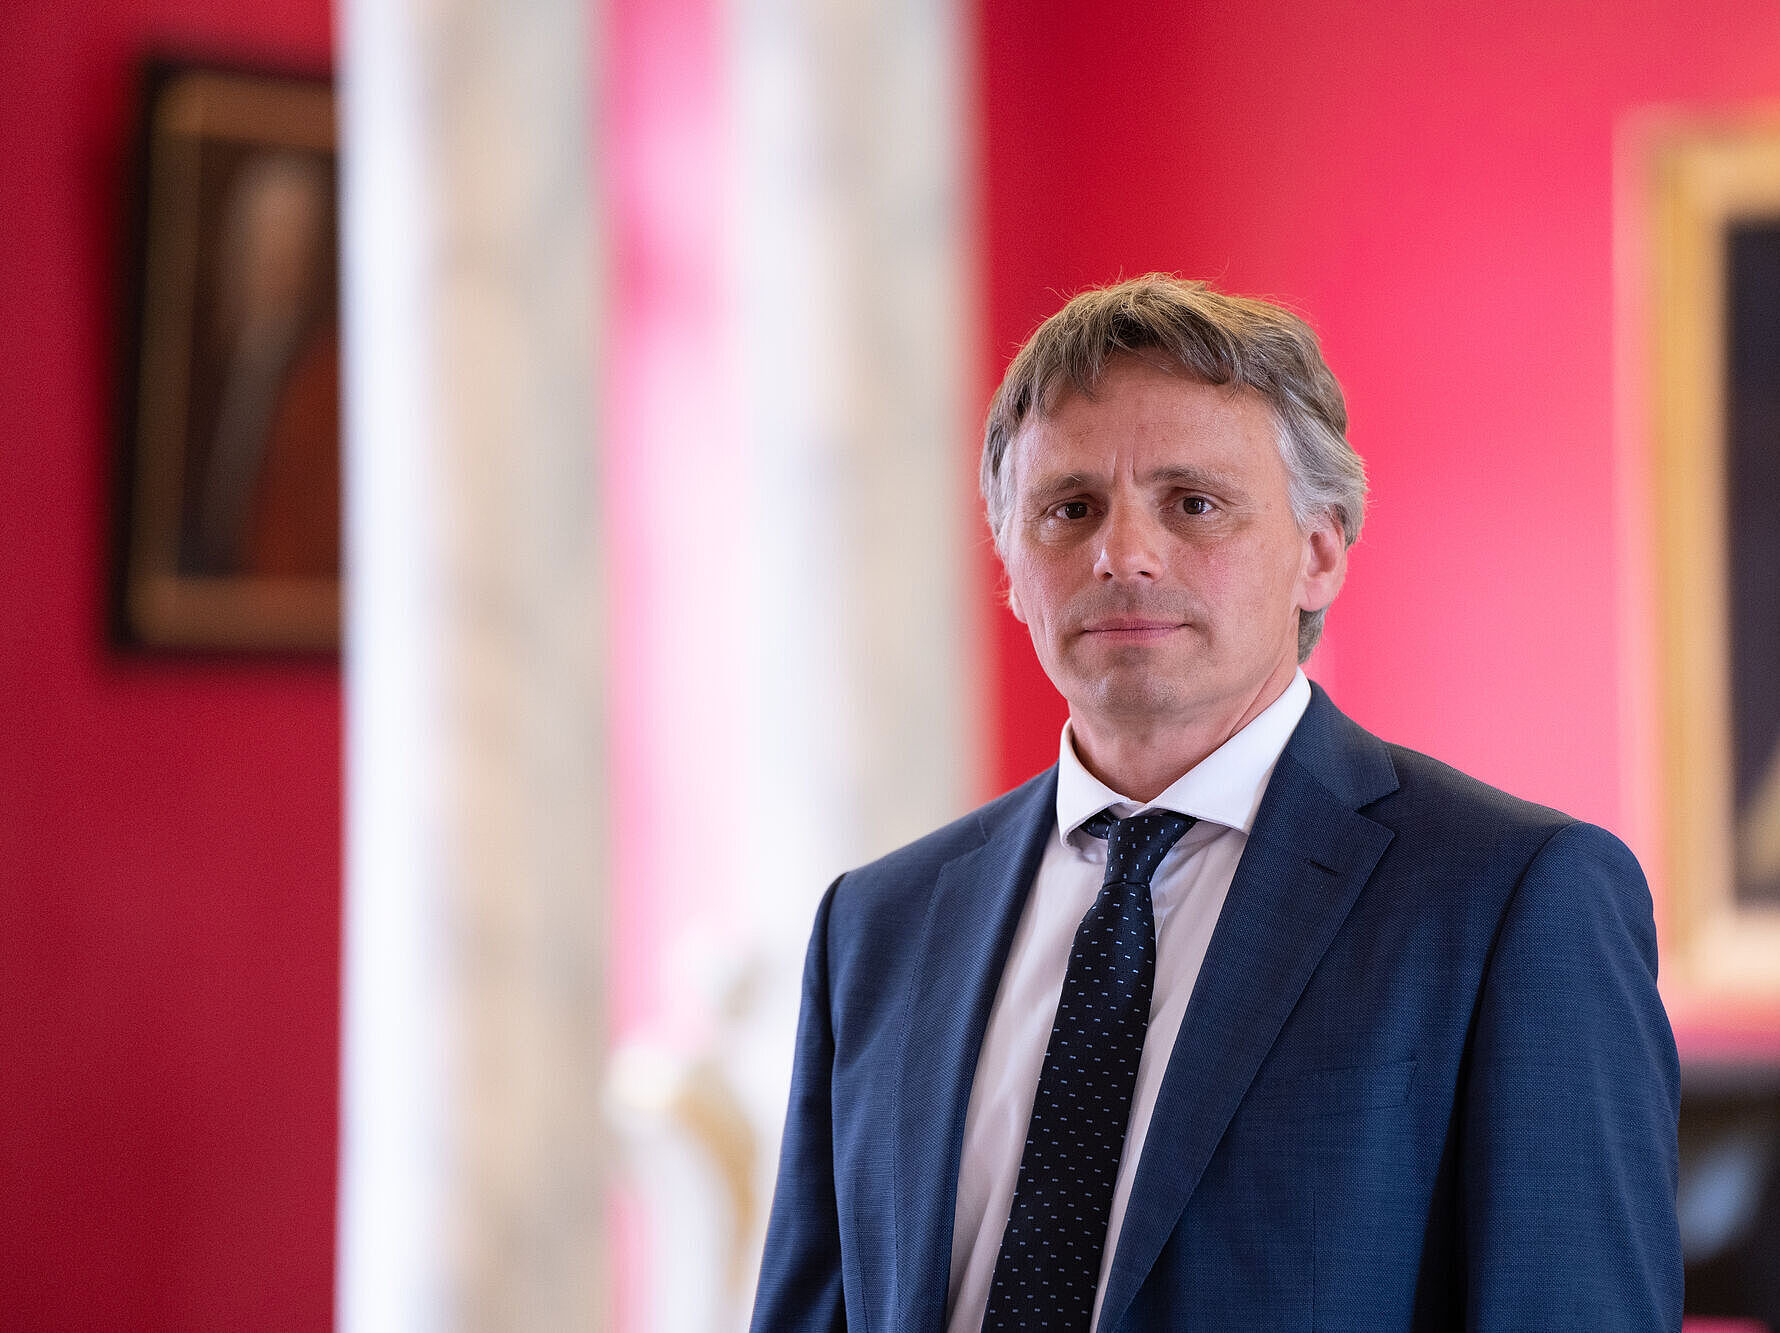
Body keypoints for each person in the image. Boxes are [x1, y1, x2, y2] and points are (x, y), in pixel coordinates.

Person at [750, 275, 1682, 1331]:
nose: (1123, 555)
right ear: (1010, 562)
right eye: (1069, 508)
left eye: (1193, 504)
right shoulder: (876, 927)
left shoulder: (1513, 898)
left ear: (1320, 552)